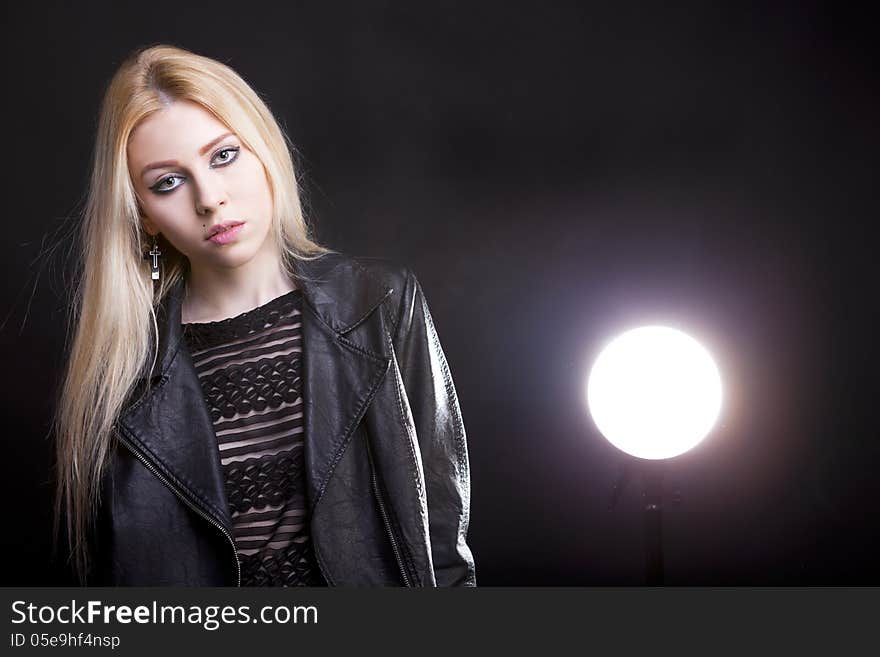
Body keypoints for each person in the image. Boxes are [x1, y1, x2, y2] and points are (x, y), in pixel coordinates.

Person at [51, 44, 476, 587]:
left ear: (263, 150)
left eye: (223, 156)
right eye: (168, 182)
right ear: (144, 217)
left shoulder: (381, 303)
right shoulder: (120, 373)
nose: (209, 199)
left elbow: (442, 541)